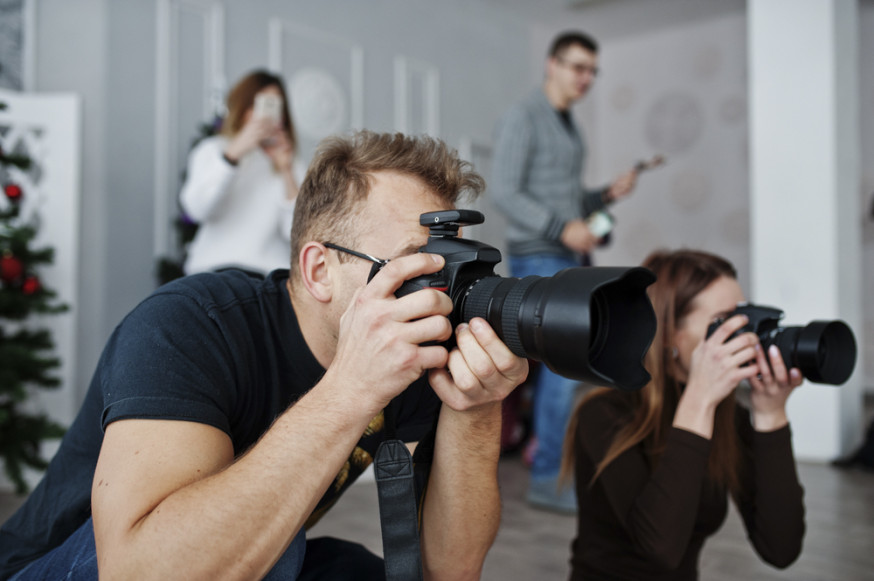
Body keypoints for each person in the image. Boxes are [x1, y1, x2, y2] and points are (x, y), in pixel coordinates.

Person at [0, 131, 529, 580]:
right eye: (419, 264)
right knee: (273, 548)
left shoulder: (416, 350)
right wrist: (351, 389)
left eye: (451, 265)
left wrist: (476, 410)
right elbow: (137, 566)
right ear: (320, 269)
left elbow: (449, 570)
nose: (440, 289)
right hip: (64, 564)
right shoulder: (192, 324)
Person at [561, 249, 806, 580]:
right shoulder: (604, 414)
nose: (745, 337)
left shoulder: (727, 418)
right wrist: (699, 403)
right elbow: (660, 548)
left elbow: (781, 549)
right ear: (668, 333)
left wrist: (771, 415)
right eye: (724, 322)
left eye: (744, 319)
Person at [490, 30, 639, 513]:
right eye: (578, 67)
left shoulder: (569, 124)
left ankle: (554, 469)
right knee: (562, 370)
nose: (586, 79)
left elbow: (567, 200)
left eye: (593, 71)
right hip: (538, 254)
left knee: (570, 368)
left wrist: (604, 196)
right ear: (552, 64)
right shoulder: (524, 116)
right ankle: (549, 476)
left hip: (565, 255)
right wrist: (562, 227)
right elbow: (505, 191)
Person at [180, 69, 306, 276]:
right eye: (261, 106)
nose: (267, 116)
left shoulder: (292, 164)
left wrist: (286, 170)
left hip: (267, 275)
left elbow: (297, 232)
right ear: (243, 108)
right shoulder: (213, 150)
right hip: (211, 272)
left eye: (275, 107)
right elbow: (197, 209)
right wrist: (233, 155)